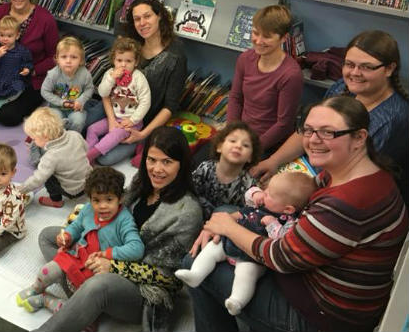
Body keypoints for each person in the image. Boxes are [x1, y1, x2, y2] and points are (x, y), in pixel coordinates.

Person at [186, 96, 408, 332]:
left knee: (195, 257)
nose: (313, 140)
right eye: (309, 130)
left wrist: (229, 228)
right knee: (224, 214)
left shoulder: (346, 202)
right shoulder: (361, 173)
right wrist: (227, 220)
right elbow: (300, 207)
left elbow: (281, 257)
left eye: (327, 132)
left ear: (359, 138)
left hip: (319, 314)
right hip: (322, 281)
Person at [34, 126, 203, 332]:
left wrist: (112, 266)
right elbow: (110, 207)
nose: (157, 169)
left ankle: (79, 304)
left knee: (99, 285)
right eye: (152, 159)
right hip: (109, 250)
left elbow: (170, 278)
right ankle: (84, 300)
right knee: (49, 236)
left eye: (167, 162)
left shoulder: (187, 212)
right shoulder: (142, 183)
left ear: (181, 164)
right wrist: (72, 233)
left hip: (141, 289)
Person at [251, 30, 409, 201]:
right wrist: (274, 161)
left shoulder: (394, 119)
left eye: (366, 67)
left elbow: (357, 179)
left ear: (389, 69)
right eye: (349, 64)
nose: (355, 73)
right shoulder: (342, 87)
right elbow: (309, 130)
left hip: (339, 193)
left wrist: (292, 189)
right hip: (306, 172)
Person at [175, 171, 316, 316]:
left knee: (246, 274)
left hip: (253, 257)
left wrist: (272, 224)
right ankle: (195, 274)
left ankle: (237, 301)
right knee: (212, 249)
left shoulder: (288, 222)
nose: (265, 193)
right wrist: (256, 194)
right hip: (233, 239)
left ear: (288, 209)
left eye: (270, 194)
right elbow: (249, 195)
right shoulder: (264, 203)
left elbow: (281, 241)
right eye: (266, 190)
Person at [16, 167, 144, 313]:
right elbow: (76, 226)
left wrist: (107, 254)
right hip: (77, 256)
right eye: (96, 200)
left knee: (81, 312)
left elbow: (137, 248)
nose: (102, 206)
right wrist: (67, 236)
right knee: (47, 271)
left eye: (109, 199)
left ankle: (46, 301)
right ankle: (36, 288)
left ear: (120, 198)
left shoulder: (125, 220)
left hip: (95, 273)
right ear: (89, 198)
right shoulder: (88, 209)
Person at [85, 0, 187, 166]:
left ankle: (140, 144)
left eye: (147, 16)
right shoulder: (131, 45)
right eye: (137, 19)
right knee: (86, 124)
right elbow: (107, 87)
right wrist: (111, 120)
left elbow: (170, 106)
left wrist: (143, 134)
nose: (142, 23)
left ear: (159, 15)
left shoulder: (176, 55)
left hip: (138, 118)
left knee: (105, 159)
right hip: (113, 105)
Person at [226, 5, 303, 154]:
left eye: (267, 36)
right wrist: (232, 134)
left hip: (267, 145)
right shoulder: (245, 59)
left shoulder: (291, 75)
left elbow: (283, 124)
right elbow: (235, 98)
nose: (258, 41)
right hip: (241, 136)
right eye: (255, 33)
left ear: (284, 38)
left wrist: (251, 149)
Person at [85, 37, 151, 165]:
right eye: (119, 60)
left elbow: (145, 102)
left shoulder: (139, 78)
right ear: (114, 60)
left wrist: (133, 120)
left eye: (128, 61)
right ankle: (90, 155)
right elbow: (103, 93)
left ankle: (90, 156)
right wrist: (111, 79)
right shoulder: (110, 73)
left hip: (131, 123)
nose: (123, 64)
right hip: (114, 117)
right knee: (92, 129)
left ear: (136, 62)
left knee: (113, 135)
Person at [19, 107, 92, 208]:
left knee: (47, 177)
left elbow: (38, 179)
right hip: (89, 181)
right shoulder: (75, 135)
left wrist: (20, 189)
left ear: (45, 136)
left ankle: (56, 201)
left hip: (73, 191)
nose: (33, 142)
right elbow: (86, 149)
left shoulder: (50, 157)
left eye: (34, 139)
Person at [192, 121, 261, 219]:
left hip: (224, 224)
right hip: (196, 213)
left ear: (250, 157)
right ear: (219, 147)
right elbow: (190, 189)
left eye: (245, 145)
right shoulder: (206, 167)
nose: (238, 146)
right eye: (233, 141)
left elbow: (250, 214)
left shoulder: (248, 184)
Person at [0, 15, 33, 129]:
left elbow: (28, 62)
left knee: (18, 91)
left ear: (17, 35)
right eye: (2, 35)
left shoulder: (22, 51)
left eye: (9, 36)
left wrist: (27, 69)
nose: (5, 39)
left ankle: (0, 104)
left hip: (13, 79)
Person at [40, 36, 94, 133]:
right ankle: (58, 138)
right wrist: (61, 102)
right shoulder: (53, 74)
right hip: (56, 107)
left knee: (78, 121)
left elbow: (89, 89)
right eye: (64, 57)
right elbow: (45, 91)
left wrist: (80, 100)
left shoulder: (85, 74)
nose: (68, 61)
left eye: (74, 57)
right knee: (54, 122)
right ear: (57, 59)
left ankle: (72, 138)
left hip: (75, 108)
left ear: (81, 60)